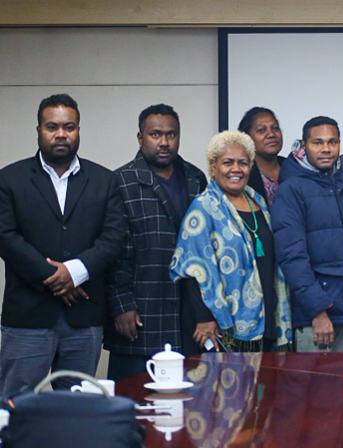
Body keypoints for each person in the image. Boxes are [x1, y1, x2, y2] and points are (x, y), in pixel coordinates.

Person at [0, 94, 126, 393]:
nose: (60, 134)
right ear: (39, 130)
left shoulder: (104, 180)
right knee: (14, 408)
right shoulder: (9, 179)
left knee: (76, 411)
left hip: (83, 317)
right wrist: (54, 278)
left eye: (69, 127)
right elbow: (5, 237)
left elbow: (113, 237)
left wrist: (75, 272)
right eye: (52, 126)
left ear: (78, 130)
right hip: (27, 318)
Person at [105, 104, 209, 380]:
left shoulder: (196, 178)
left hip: (188, 313)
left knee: (189, 406)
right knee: (134, 405)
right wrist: (121, 304)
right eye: (155, 134)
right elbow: (113, 250)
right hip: (140, 310)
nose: (164, 142)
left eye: (171, 135)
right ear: (140, 138)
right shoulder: (120, 181)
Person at [170, 130, 292, 352]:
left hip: (266, 317)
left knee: (267, 384)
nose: (236, 169)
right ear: (214, 167)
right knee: (233, 385)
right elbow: (191, 269)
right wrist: (204, 317)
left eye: (243, 163)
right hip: (225, 325)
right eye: (228, 162)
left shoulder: (259, 202)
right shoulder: (203, 207)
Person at [271, 116, 343, 352]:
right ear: (303, 145)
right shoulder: (291, 190)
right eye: (317, 143)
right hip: (315, 319)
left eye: (332, 142)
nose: (326, 149)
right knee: (318, 388)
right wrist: (318, 310)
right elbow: (292, 256)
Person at [238, 107, 285, 205]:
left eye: (275, 128)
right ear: (247, 138)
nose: (271, 134)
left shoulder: (293, 167)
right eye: (261, 130)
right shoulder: (242, 174)